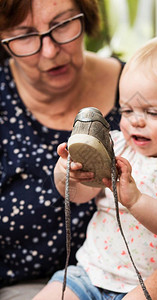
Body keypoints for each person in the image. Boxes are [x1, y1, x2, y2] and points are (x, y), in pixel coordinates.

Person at [33, 36, 157, 300]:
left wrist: (136, 201)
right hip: (88, 273)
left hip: (147, 286)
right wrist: (67, 175)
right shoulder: (116, 144)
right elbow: (81, 195)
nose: (136, 122)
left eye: (153, 113)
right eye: (127, 110)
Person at [0, 0, 124, 299]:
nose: (50, 51)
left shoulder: (145, 91)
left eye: (62, 24)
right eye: (25, 34)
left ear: (86, 15)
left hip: (135, 281)